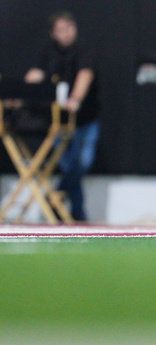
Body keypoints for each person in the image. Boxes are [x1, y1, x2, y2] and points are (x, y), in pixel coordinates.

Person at [24, 11, 101, 222]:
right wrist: (19, 94)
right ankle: (76, 214)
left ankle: (54, 199)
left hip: (85, 120)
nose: (66, 34)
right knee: (67, 165)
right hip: (59, 122)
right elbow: (36, 74)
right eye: (60, 30)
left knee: (82, 163)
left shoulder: (84, 49)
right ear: (52, 33)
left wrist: (75, 99)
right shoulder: (48, 52)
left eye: (69, 28)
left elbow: (85, 74)